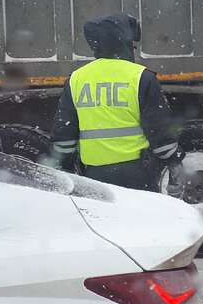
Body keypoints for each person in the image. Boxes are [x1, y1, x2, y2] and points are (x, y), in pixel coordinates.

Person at [51, 12, 185, 194]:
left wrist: (66, 166)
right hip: (138, 172)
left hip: (94, 173)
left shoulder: (76, 79)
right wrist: (174, 163)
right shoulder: (141, 77)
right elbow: (159, 128)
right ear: (123, 42)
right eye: (132, 44)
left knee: (103, 220)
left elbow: (64, 133)